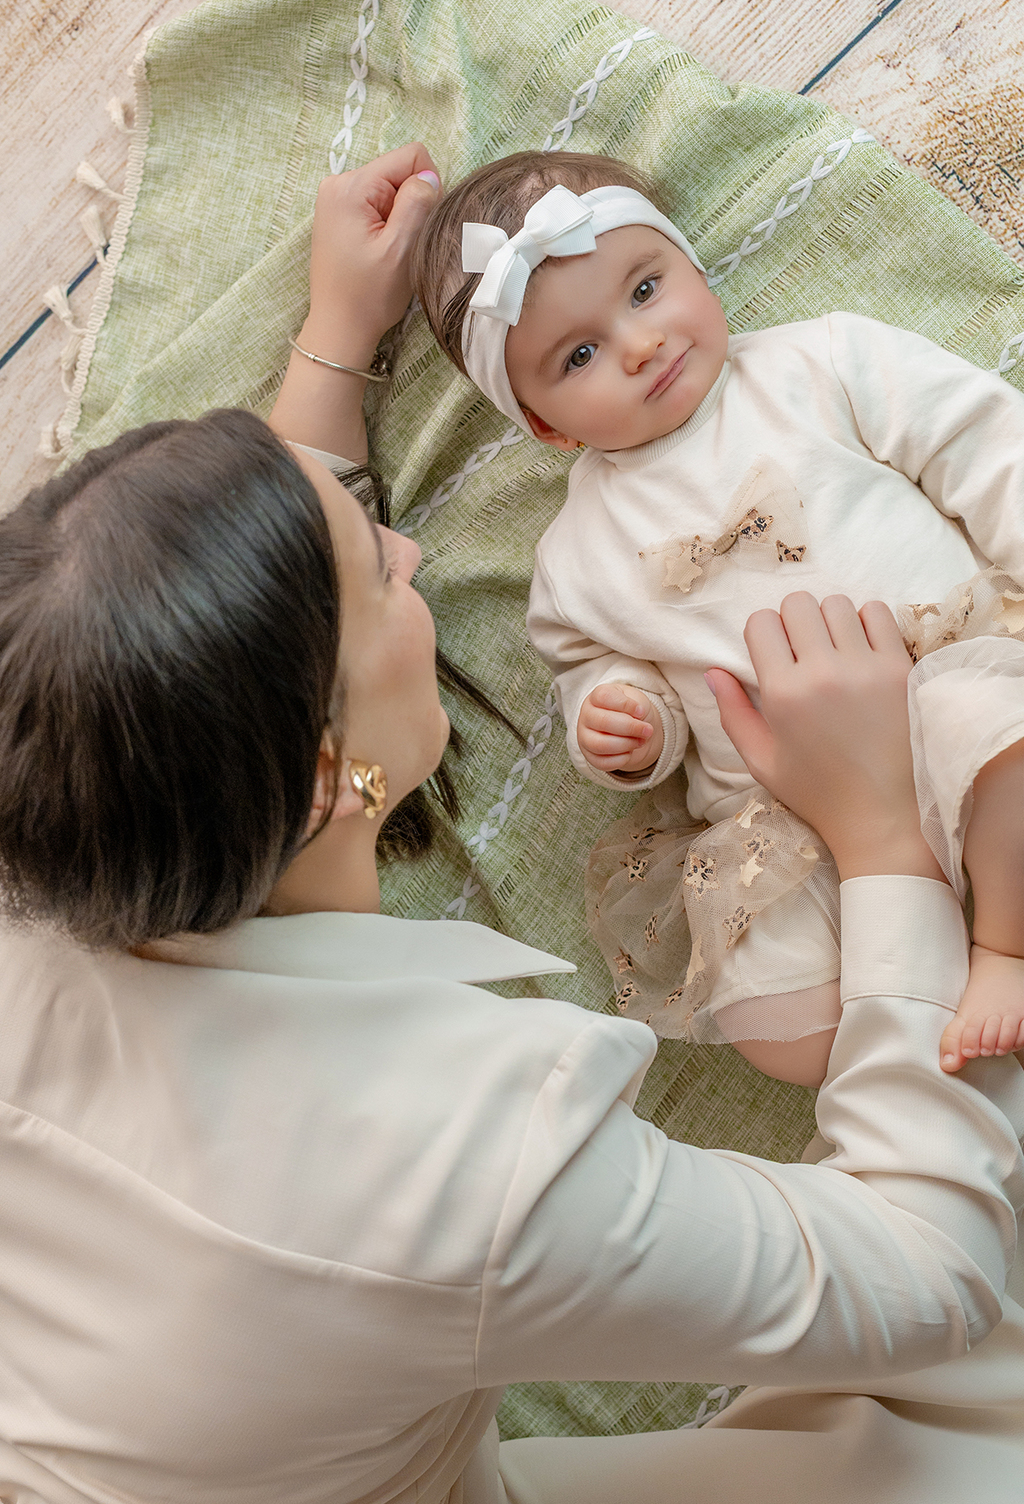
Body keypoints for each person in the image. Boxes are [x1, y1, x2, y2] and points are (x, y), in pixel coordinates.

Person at [0, 146, 1024, 1504]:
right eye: (380, 572)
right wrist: (880, 841)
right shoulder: (447, 1153)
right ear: (324, 774)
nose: (415, 552)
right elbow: (920, 1278)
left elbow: (201, 629)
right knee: (969, 1425)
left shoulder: (3, 805)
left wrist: (337, 333)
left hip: (200, 1499)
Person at [411, 150, 1024, 1087]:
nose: (639, 345)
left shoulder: (822, 363)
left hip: (948, 682)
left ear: (694, 265)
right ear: (545, 425)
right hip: (787, 811)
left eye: (646, 290)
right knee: (768, 1018)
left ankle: (1003, 953)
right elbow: (593, 673)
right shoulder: (576, 557)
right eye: (579, 356)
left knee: (1003, 748)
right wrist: (624, 724)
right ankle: (917, 1004)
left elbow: (983, 444)